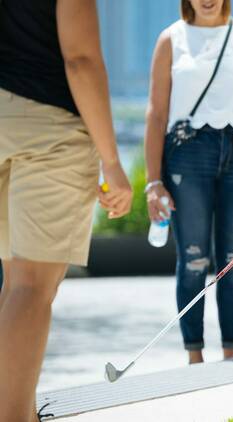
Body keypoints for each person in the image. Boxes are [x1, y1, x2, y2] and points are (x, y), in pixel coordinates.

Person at [0, 0, 133, 420]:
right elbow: (80, 59)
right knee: (33, 285)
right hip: (48, 126)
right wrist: (112, 163)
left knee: (15, 283)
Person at [143, 0, 233, 364]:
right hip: (188, 154)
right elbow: (156, 114)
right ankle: (194, 357)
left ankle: (232, 355)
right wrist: (152, 182)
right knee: (193, 259)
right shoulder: (170, 39)